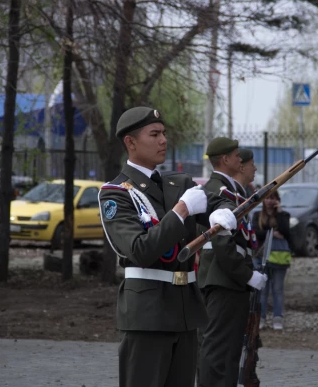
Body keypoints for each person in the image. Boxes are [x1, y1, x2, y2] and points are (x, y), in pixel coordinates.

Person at [98, 107, 240, 387]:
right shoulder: (116, 193)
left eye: (164, 133)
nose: (163, 140)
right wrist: (182, 211)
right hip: (147, 313)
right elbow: (138, 249)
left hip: (185, 311)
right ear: (131, 142)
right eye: (154, 134)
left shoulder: (179, 183)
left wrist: (222, 211)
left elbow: (219, 199)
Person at [198, 137, 267, 387]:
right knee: (217, 351)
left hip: (229, 279)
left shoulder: (232, 190)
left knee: (229, 353)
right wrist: (246, 275)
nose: (241, 160)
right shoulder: (218, 190)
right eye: (237, 155)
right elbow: (221, 243)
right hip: (223, 278)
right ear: (225, 159)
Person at [252, 191, 291, 330]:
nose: (269, 201)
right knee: (262, 289)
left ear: (278, 200)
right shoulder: (257, 215)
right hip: (260, 256)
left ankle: (278, 318)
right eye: (267, 198)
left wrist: (279, 211)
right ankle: (260, 318)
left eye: (273, 198)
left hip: (278, 257)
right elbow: (255, 232)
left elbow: (286, 231)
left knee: (277, 289)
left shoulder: (284, 215)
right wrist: (273, 233)